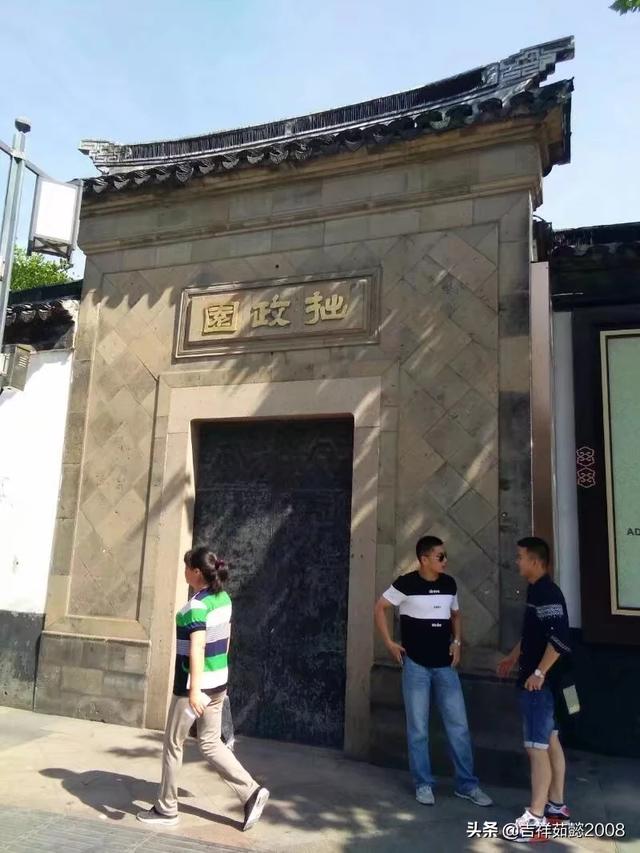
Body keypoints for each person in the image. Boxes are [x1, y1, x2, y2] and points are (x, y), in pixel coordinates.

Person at [137, 547, 269, 831]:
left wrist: (195, 690)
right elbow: (227, 638)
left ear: (196, 572)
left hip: (192, 690)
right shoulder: (223, 599)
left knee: (173, 744)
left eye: (187, 567)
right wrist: (217, 677)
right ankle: (251, 792)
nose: (184, 571)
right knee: (210, 743)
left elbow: (197, 647)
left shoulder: (196, 607)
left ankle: (166, 809)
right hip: (218, 683)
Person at [374, 536, 492, 807]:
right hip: (415, 665)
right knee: (418, 728)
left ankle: (467, 784)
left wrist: (457, 643)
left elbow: (456, 615)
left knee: (459, 727)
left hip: (445, 666)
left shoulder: (449, 584)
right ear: (424, 559)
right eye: (440, 556)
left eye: (445, 555)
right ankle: (423, 784)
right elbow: (380, 607)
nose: (445, 560)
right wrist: (389, 643)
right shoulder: (406, 583)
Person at [497, 536, 572, 842]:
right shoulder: (536, 591)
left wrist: (539, 672)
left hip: (539, 686)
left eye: (520, 557)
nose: (517, 561)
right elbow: (533, 635)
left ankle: (536, 818)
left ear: (535, 561)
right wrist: (513, 656)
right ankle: (556, 807)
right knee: (550, 741)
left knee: (535, 748)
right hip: (543, 682)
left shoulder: (547, 593)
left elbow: (559, 639)